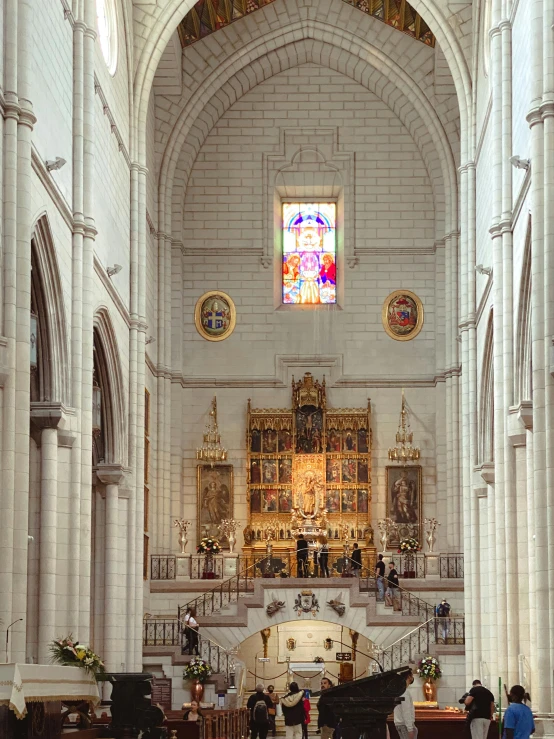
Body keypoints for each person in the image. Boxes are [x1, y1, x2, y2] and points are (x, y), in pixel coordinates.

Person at [393, 670, 416, 739]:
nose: (413, 677)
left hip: (400, 723)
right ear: (409, 676)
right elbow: (406, 711)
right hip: (404, 725)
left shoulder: (399, 690)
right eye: (412, 675)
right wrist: (410, 729)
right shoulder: (404, 692)